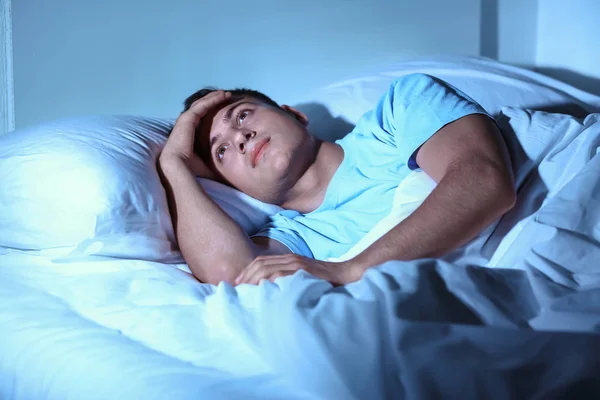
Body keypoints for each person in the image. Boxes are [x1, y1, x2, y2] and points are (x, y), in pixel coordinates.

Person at [158, 74, 516, 286]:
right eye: (221, 152)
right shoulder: (295, 239)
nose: (239, 137)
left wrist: (351, 269)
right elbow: (233, 276)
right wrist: (174, 164)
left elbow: (484, 180)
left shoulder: (396, 113)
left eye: (243, 115)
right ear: (233, 187)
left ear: (294, 115)